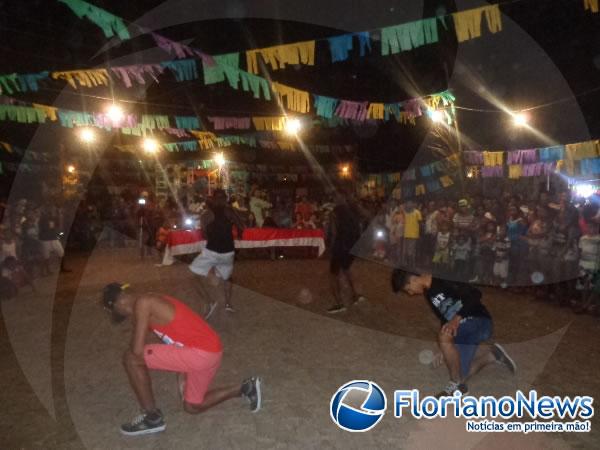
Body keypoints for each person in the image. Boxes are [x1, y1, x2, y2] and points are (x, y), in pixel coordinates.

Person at [101, 283, 261, 436]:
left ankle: (152, 418)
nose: (125, 315)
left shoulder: (144, 302)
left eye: (118, 312)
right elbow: (177, 339)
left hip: (200, 354)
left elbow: (136, 352)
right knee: (192, 406)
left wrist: (137, 325)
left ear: (119, 303)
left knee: (130, 358)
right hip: (211, 351)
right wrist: (183, 370)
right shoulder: (152, 300)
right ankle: (245, 388)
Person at [392, 270, 516, 396]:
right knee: (461, 372)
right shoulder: (428, 293)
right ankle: (493, 355)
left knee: (450, 352)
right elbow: (445, 318)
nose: (411, 293)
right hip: (463, 332)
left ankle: (456, 386)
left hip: (479, 322)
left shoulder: (443, 278)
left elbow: (475, 294)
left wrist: (456, 321)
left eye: (408, 289)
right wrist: (445, 347)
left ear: (413, 279)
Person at [189, 189, 245, 315]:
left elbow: (204, 234)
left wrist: (212, 235)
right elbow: (241, 226)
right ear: (225, 199)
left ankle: (209, 302)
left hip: (212, 251)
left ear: (213, 199)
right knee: (228, 278)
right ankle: (228, 304)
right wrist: (237, 233)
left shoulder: (206, 214)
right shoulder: (229, 211)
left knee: (193, 276)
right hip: (228, 252)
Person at [327, 190, 368, 314]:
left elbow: (334, 232)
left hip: (340, 245)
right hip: (352, 245)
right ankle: (356, 295)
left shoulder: (334, 212)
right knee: (346, 269)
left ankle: (339, 303)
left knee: (333, 275)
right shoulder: (353, 209)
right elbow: (364, 218)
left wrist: (331, 248)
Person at [402, 200, 422, 268]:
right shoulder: (404, 212)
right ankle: (406, 265)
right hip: (405, 234)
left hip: (414, 235)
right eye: (408, 203)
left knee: (411, 252)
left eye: (410, 203)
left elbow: (420, 223)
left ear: (413, 204)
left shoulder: (417, 212)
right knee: (405, 251)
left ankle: (412, 266)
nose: (409, 204)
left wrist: (419, 234)